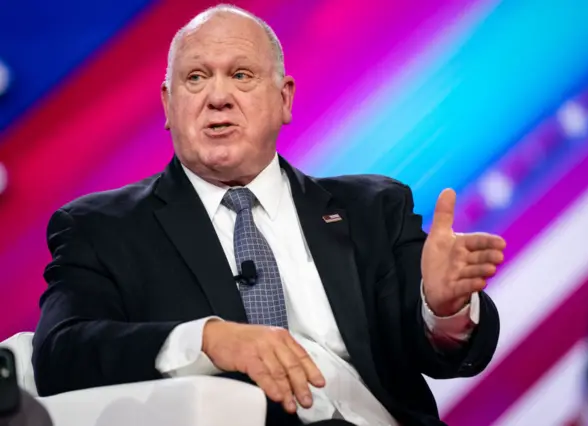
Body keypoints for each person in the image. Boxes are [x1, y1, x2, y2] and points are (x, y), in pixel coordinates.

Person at [32, 4, 504, 426]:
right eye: (196, 77)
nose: (217, 97)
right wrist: (209, 341)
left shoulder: (371, 208)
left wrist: (442, 308)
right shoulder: (102, 228)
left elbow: (441, 356)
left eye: (241, 75)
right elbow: (58, 356)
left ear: (284, 99)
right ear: (168, 105)